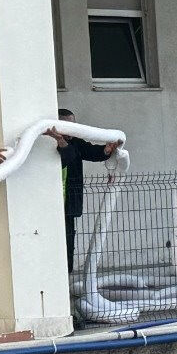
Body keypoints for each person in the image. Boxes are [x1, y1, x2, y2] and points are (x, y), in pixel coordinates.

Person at [45, 108, 120, 268]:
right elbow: (67, 157)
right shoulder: (48, 142)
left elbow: (91, 152)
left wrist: (106, 150)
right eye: (68, 126)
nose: (73, 130)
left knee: (68, 240)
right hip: (50, 202)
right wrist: (61, 142)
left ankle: (67, 277)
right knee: (51, 241)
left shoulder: (76, 141)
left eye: (74, 125)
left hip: (69, 202)